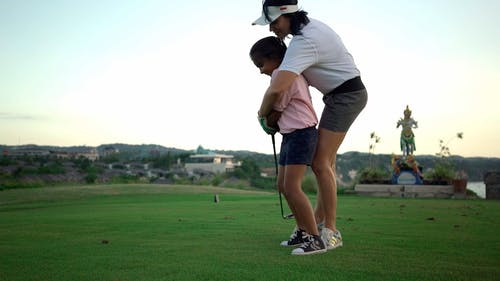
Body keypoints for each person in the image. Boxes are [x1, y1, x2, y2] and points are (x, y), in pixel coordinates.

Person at [252, 0, 368, 250]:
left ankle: (331, 231)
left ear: (286, 14)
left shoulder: (303, 41)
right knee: (325, 162)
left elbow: (277, 88)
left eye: (273, 22)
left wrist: (261, 116)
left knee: (320, 163)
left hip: (347, 96)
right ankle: (312, 225)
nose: (272, 29)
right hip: (338, 96)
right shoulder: (309, 30)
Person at [250, 36, 326, 255]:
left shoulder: (284, 77)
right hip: (291, 134)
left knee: (292, 186)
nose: (260, 70)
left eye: (261, 64)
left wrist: (264, 119)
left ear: (274, 59)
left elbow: (275, 111)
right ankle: (302, 231)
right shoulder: (282, 75)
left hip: (302, 133)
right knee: (283, 185)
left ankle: (314, 239)